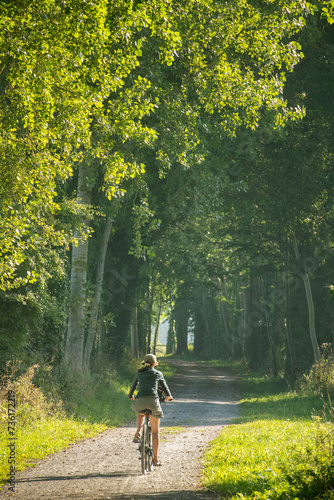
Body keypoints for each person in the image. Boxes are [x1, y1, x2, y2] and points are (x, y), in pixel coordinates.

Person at [128, 353, 173, 466]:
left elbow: (133, 387)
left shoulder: (139, 373)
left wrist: (131, 396)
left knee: (140, 412)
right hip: (153, 402)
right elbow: (165, 387)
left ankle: (138, 432)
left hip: (140, 402)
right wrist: (169, 396)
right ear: (155, 363)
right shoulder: (158, 373)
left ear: (144, 362)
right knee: (155, 432)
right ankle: (156, 458)